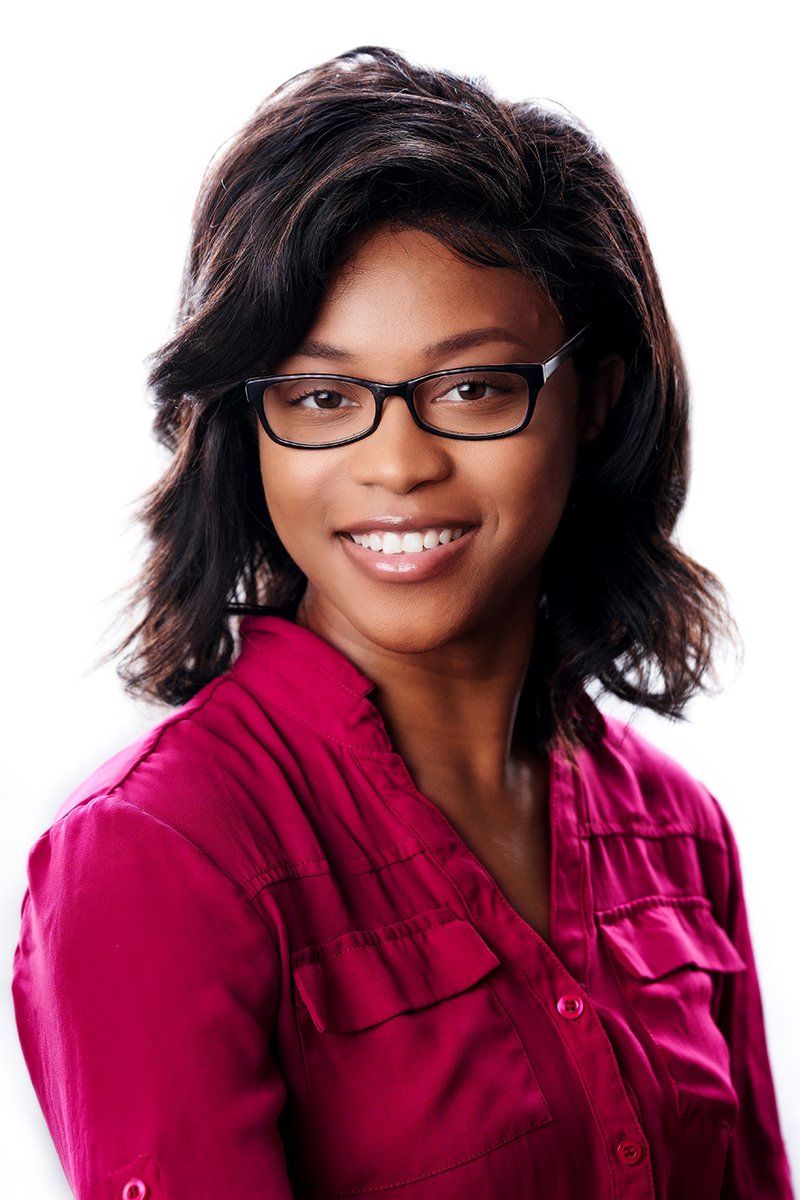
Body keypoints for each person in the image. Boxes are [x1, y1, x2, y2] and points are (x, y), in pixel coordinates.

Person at [11, 44, 794, 1200]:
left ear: (594, 400)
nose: (396, 465)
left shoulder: (679, 831)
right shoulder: (156, 859)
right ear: (246, 427)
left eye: (471, 387)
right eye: (321, 398)